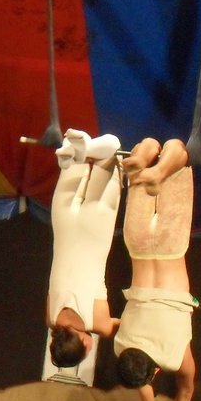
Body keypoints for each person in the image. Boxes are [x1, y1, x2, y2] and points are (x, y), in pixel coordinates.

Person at [114, 138, 199, 401]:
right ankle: (143, 157)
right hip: (136, 245)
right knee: (150, 147)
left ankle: (163, 169)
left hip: (171, 247)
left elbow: (186, 387)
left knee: (180, 151)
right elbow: (137, 373)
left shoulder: (172, 357)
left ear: (155, 372)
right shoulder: (122, 347)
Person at [47, 128, 123, 367]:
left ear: (83, 343)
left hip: (94, 228)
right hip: (63, 222)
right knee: (72, 158)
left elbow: (125, 325)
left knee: (113, 149)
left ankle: (86, 149)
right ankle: (80, 149)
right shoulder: (50, 318)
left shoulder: (99, 325)